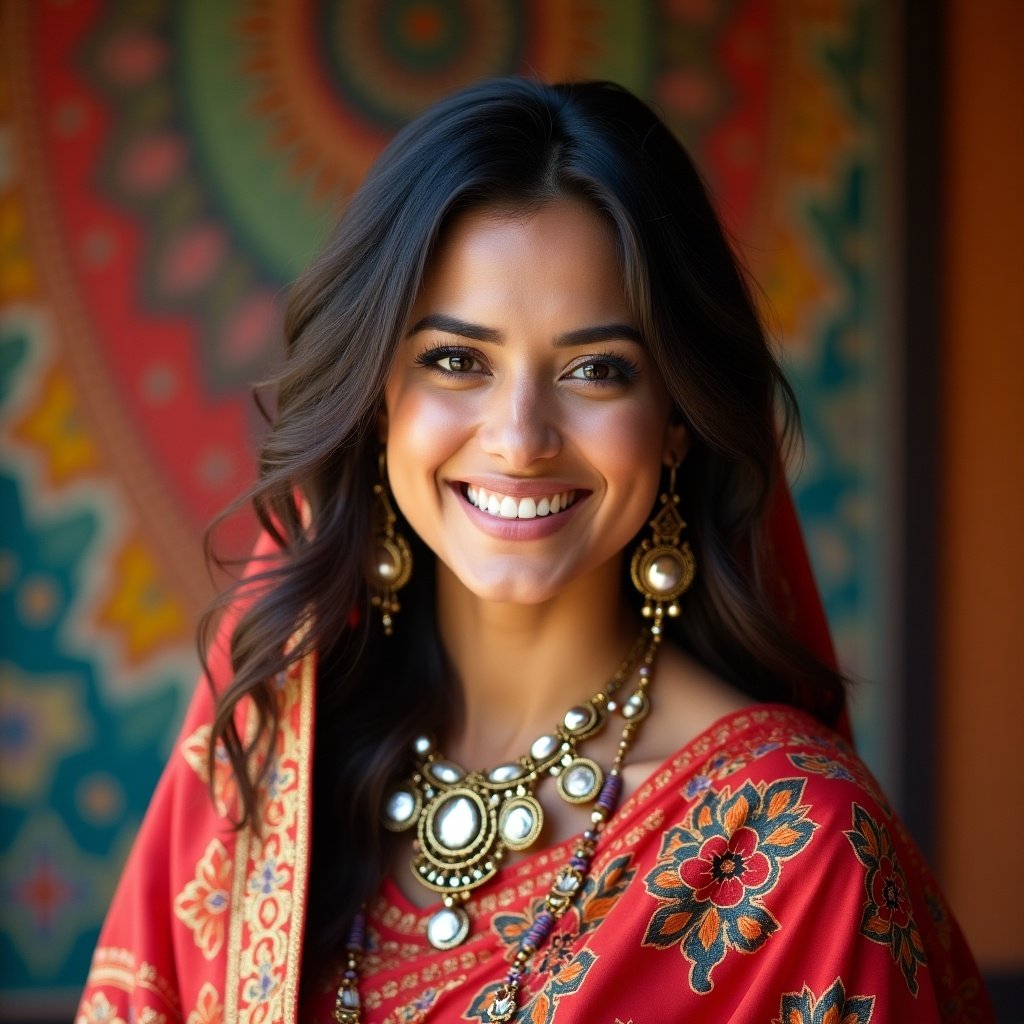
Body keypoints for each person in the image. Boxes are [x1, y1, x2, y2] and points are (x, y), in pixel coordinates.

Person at [76, 78, 992, 1024]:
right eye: (456, 360)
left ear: (675, 419)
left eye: (597, 370)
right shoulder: (271, 759)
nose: (520, 438)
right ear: (379, 396)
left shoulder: (797, 856)